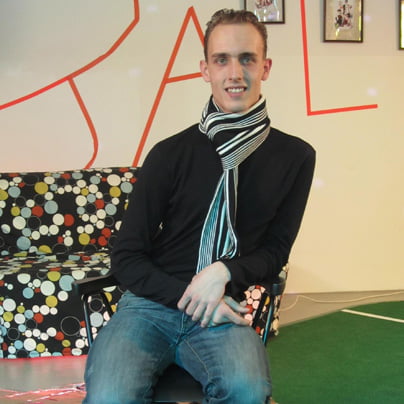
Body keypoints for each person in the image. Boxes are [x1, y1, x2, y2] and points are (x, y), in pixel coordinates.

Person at [83, 8, 315, 404]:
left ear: (266, 67)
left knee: (247, 391)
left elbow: (276, 250)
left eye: (247, 58)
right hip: (149, 307)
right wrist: (188, 293)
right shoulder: (170, 153)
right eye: (221, 59)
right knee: (110, 396)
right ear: (205, 70)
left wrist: (224, 271)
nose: (235, 72)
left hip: (222, 307)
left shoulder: (295, 157)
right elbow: (127, 256)